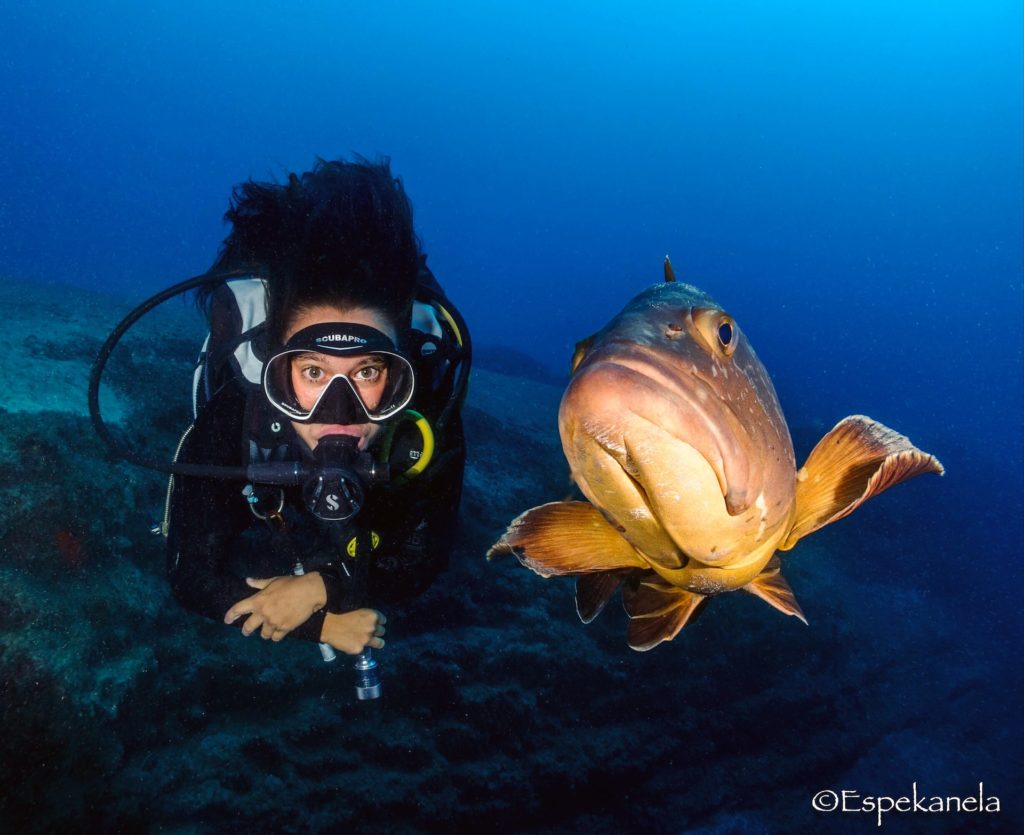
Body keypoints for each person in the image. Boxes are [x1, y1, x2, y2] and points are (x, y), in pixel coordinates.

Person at [165, 157, 468, 656]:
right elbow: (188, 574)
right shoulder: (238, 413)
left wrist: (322, 589)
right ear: (274, 366)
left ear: (401, 368)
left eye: (367, 372)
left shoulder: (425, 419)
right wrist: (324, 628)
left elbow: (423, 559)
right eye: (313, 372)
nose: (340, 412)